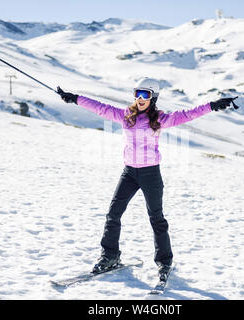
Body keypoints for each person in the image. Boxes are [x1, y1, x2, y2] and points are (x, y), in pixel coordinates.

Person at [57, 78, 234, 279]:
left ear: (153, 97)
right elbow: (100, 107)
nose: (140, 98)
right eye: (137, 94)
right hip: (129, 173)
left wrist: (212, 105)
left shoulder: (160, 118)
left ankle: (164, 262)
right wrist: (75, 99)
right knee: (113, 214)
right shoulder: (126, 115)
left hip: (151, 174)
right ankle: (110, 256)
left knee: (156, 218)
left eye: (146, 94)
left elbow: (188, 114)